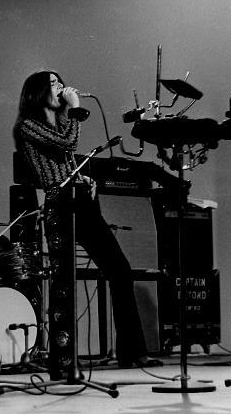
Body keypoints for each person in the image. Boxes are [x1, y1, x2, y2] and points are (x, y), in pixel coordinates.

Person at [13, 70, 161, 369]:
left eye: (60, 81)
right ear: (37, 92)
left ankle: (132, 352)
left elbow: (66, 156)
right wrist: (75, 108)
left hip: (81, 200)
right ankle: (64, 357)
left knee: (120, 270)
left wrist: (83, 179)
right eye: (53, 83)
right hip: (59, 203)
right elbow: (66, 144)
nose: (60, 87)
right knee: (63, 280)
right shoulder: (28, 125)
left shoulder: (60, 122)